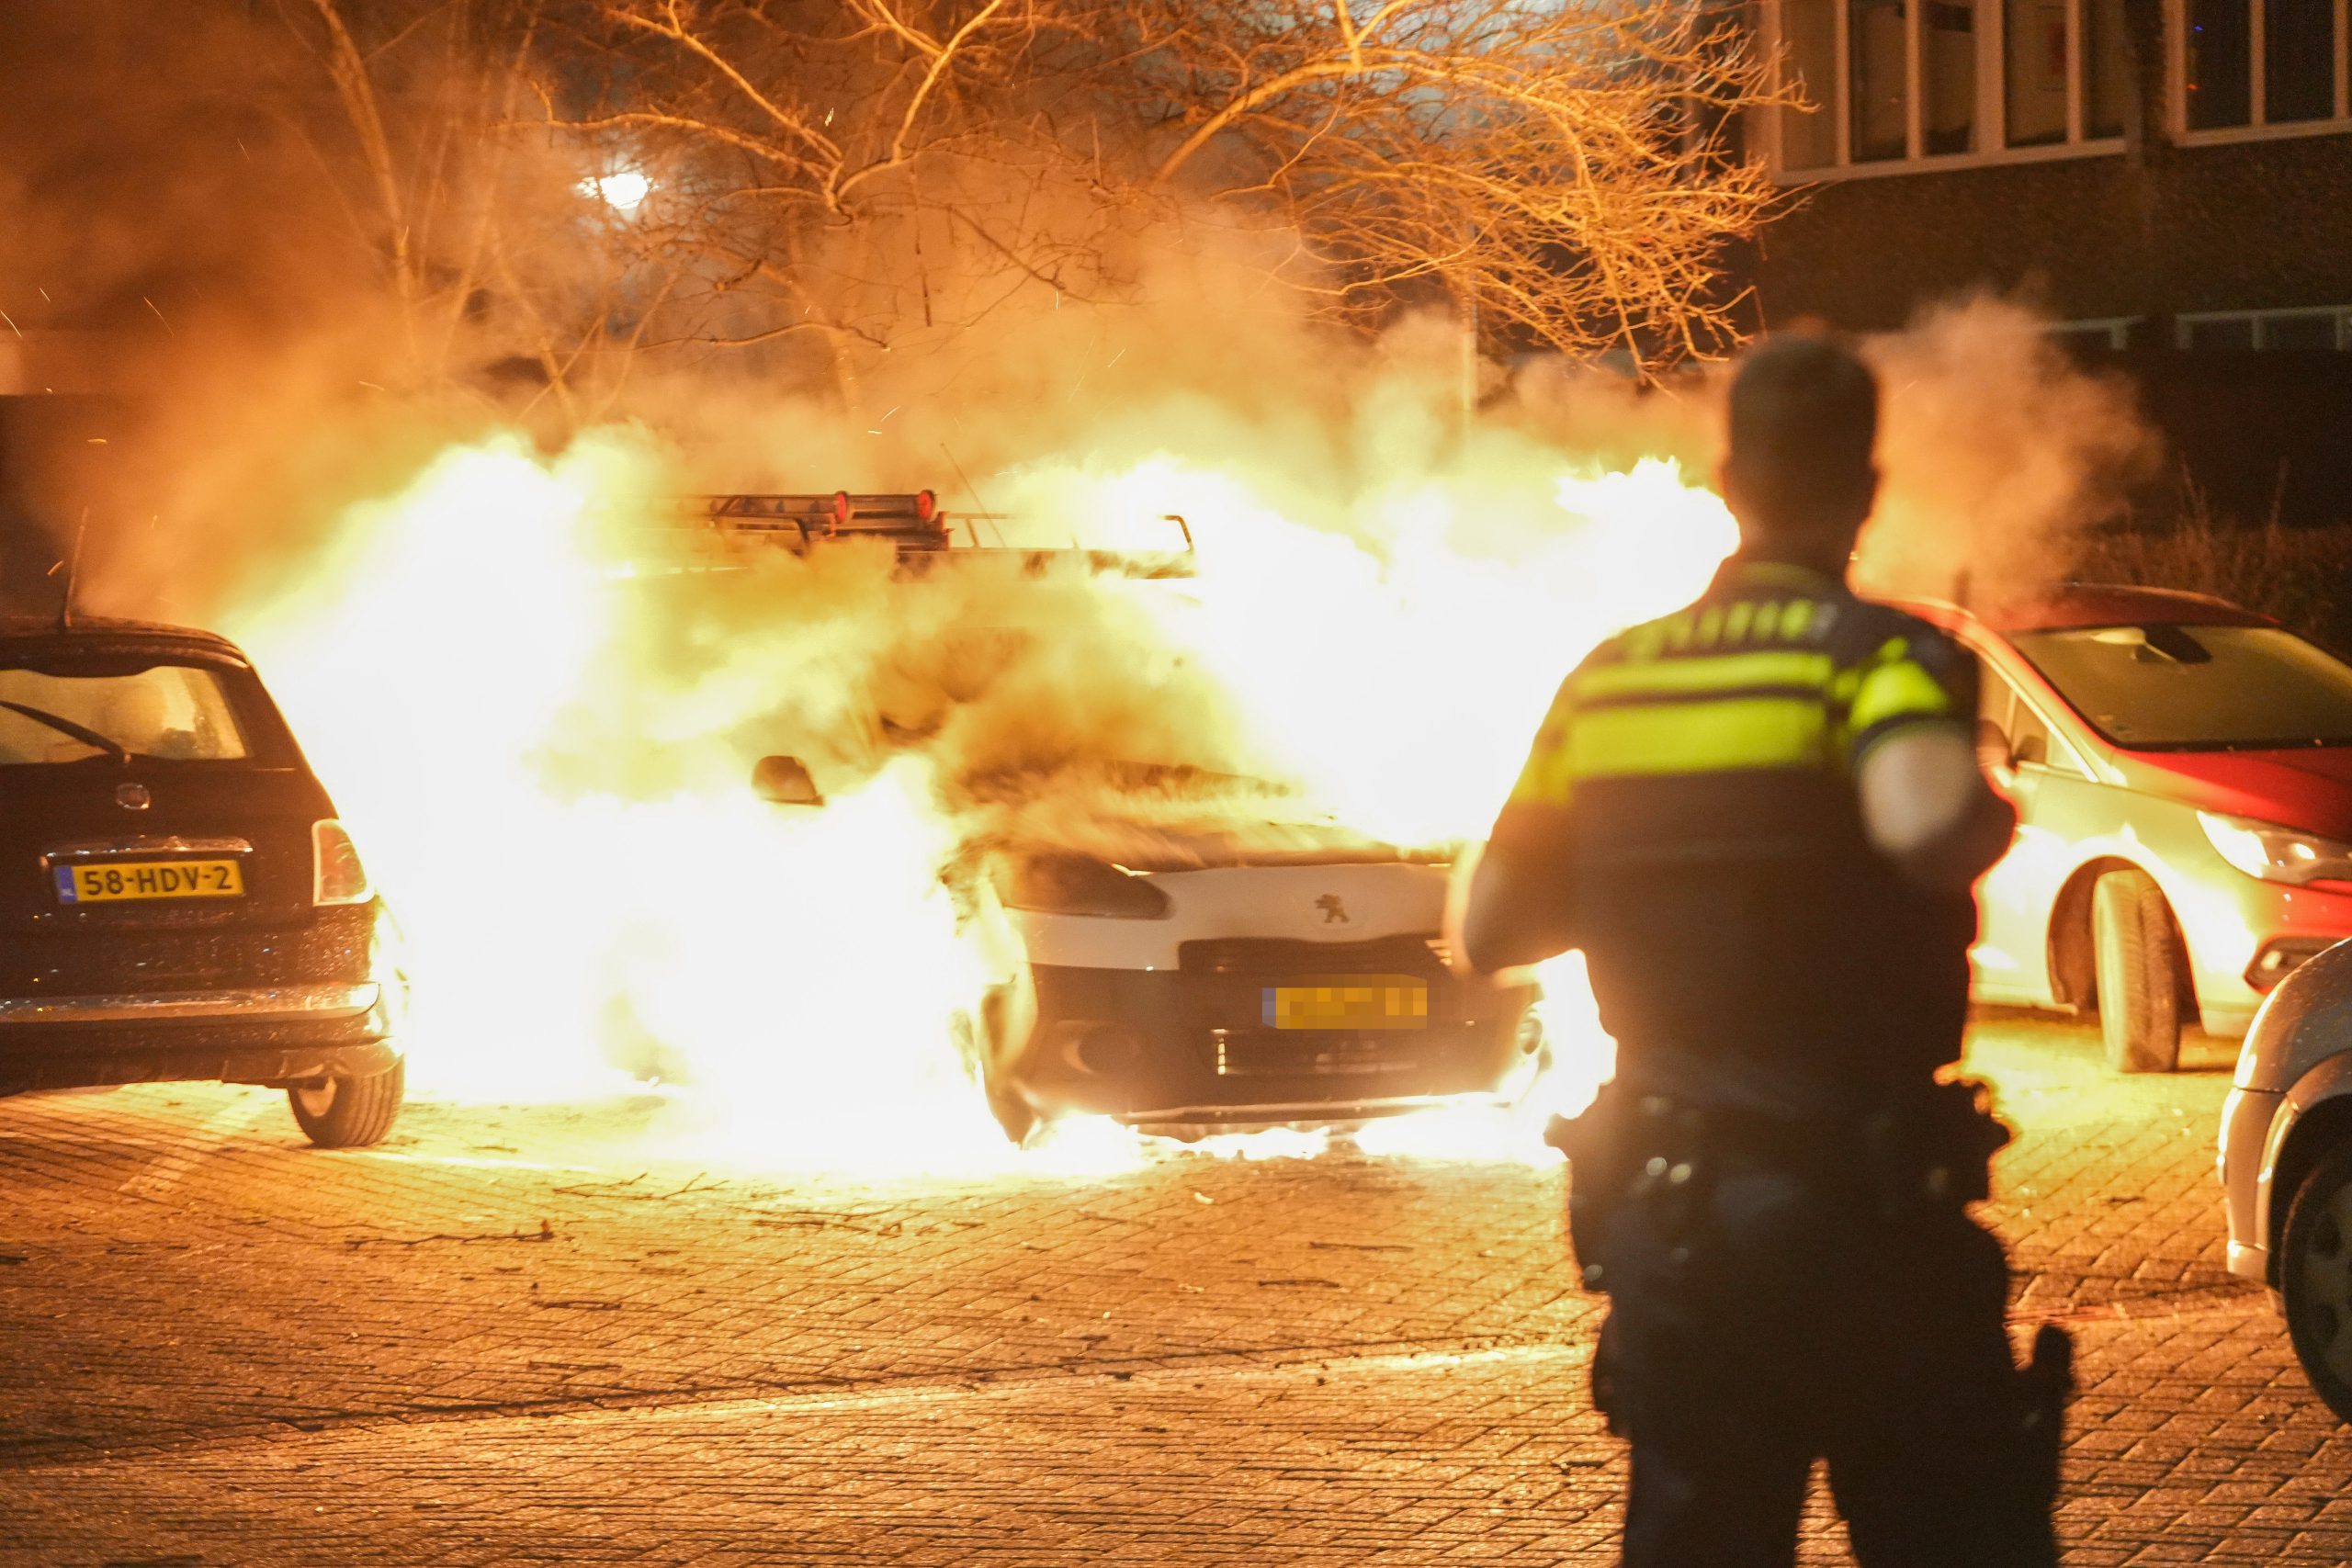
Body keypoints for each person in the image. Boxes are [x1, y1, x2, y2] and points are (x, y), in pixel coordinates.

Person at [1460, 333, 2068, 1567]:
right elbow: (1925, 832)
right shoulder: (1883, 656)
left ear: (1729, 480)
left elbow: (1490, 931)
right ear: (1864, 489)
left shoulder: (1607, 682)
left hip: (1677, 1235)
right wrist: (1987, 798)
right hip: (1867, 1226)